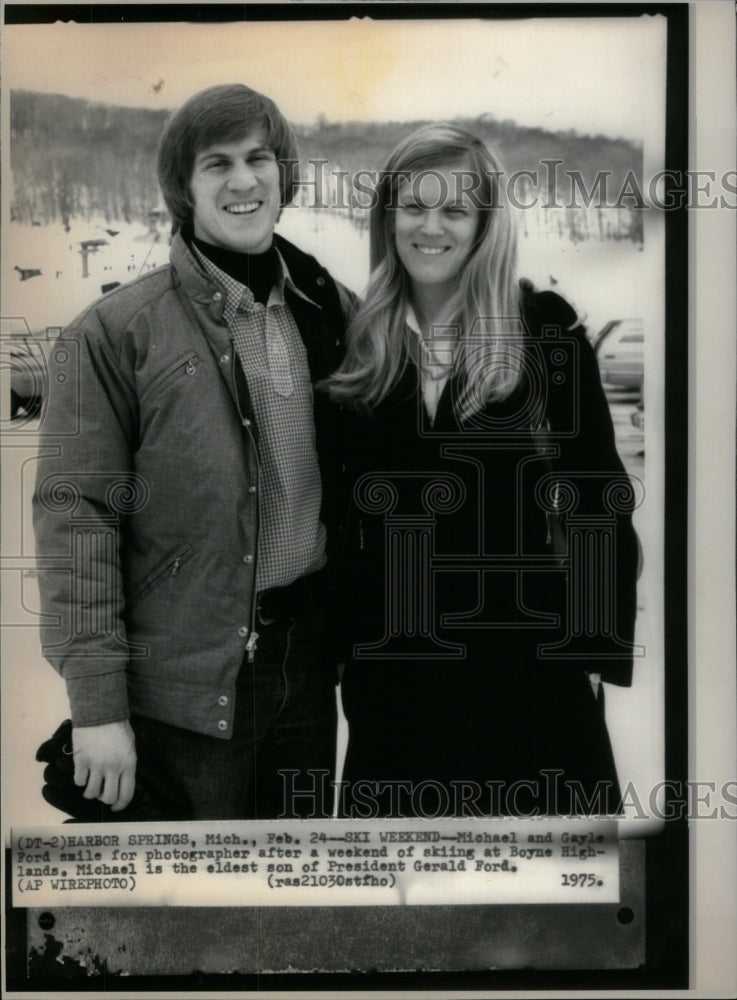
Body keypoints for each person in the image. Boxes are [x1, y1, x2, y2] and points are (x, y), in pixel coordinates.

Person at [33, 84, 349, 821]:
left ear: (284, 173)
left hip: (304, 673)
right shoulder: (114, 334)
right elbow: (75, 520)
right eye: (217, 164)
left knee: (294, 910)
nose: (243, 181)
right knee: (194, 917)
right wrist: (97, 708)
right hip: (181, 690)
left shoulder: (327, 313)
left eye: (258, 158)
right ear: (184, 187)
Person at [324, 123, 640, 818]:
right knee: (401, 914)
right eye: (412, 206)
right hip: (395, 692)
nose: (428, 227)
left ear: (484, 225)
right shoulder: (358, 347)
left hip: (528, 685)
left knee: (545, 915)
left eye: (453, 210)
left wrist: (589, 653)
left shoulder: (544, 333)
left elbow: (598, 501)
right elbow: (342, 520)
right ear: (386, 215)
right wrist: (346, 657)